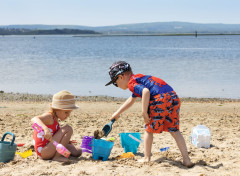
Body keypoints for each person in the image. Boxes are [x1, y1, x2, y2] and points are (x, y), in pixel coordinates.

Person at [105, 61, 194, 167]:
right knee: (174, 130)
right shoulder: (138, 78)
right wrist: (117, 112)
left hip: (159, 99)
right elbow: (131, 100)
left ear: (121, 77)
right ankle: (186, 159)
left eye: (115, 83)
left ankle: (146, 158)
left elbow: (146, 92)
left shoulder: (131, 83)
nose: (116, 85)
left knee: (148, 129)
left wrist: (144, 112)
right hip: (173, 97)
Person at [31, 90, 82, 162]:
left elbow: (55, 134)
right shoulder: (49, 117)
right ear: (56, 109)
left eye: (69, 112)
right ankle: (57, 157)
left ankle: (58, 154)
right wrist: (45, 129)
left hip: (51, 147)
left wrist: (66, 141)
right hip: (44, 151)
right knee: (68, 128)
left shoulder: (55, 119)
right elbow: (34, 119)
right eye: (66, 112)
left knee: (78, 151)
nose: (68, 115)